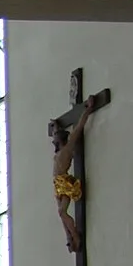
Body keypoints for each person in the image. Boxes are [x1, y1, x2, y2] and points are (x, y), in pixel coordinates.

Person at [51, 97, 98, 253]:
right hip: (57, 184)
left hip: (65, 183)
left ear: (62, 141)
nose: (54, 142)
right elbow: (56, 134)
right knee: (60, 214)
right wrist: (57, 126)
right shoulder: (58, 152)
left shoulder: (68, 148)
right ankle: (69, 238)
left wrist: (88, 109)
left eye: (56, 140)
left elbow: (78, 128)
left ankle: (75, 237)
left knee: (62, 212)